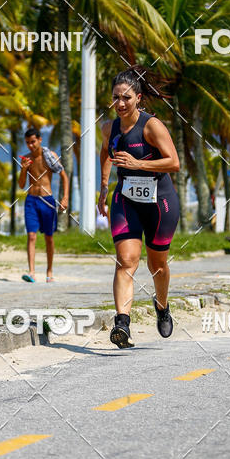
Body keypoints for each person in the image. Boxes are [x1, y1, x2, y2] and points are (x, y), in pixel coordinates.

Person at [98, 67, 180, 349]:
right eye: (116, 97)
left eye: (126, 98)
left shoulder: (151, 126)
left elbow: (174, 162)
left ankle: (162, 306)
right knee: (126, 260)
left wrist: (138, 164)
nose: (120, 103)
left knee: (157, 265)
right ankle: (122, 323)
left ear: (138, 98)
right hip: (126, 199)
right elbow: (105, 152)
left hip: (160, 201)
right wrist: (104, 187)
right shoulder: (109, 128)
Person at [18, 128, 69, 283]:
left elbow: (64, 176)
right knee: (31, 236)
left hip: (47, 200)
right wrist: (23, 169)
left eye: (33, 142)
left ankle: (49, 271)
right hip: (31, 200)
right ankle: (32, 272)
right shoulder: (26, 159)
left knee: (49, 238)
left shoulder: (50, 156)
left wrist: (65, 198)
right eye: (27, 143)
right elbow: (21, 185)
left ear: (40, 140)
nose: (30, 145)